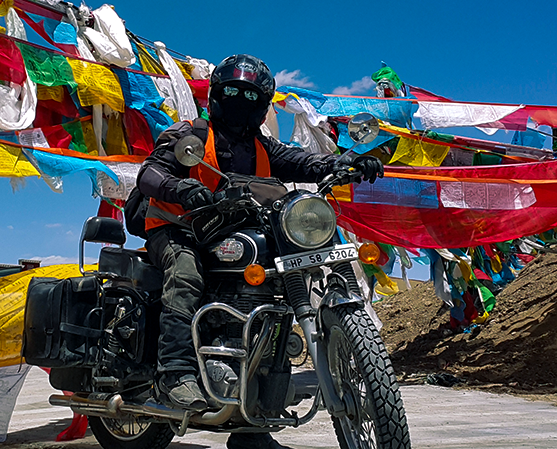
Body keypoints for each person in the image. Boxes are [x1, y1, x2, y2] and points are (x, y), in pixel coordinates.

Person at [132, 55, 381, 447]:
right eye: (232, 92)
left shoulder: (261, 146)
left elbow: (303, 161)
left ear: (263, 104)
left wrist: (344, 162)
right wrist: (181, 189)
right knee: (186, 275)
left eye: (250, 95)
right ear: (216, 95)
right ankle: (175, 373)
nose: (239, 100)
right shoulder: (192, 134)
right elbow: (150, 172)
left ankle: (253, 427)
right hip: (176, 228)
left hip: (229, 231)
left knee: (272, 292)